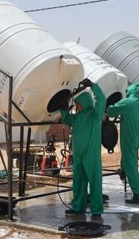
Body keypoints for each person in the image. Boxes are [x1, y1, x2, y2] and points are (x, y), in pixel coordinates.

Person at [59, 78, 106, 219]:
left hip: (91, 155)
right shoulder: (77, 117)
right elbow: (67, 119)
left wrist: (93, 86)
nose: (77, 107)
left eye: (78, 104)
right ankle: (78, 207)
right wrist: (63, 107)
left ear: (85, 103)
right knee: (78, 181)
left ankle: (96, 210)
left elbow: (102, 99)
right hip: (78, 154)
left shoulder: (95, 115)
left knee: (95, 181)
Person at [106, 83, 139, 204]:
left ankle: (138, 193)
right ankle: (123, 171)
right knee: (130, 160)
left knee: (131, 166)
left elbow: (111, 111)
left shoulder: (127, 102)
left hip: (129, 138)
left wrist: (107, 105)